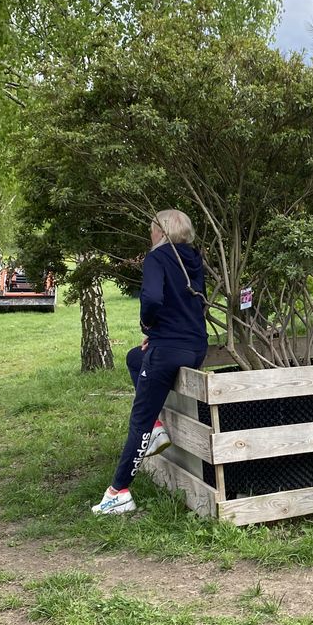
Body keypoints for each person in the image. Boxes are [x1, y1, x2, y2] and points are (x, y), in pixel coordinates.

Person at [92, 209, 208, 515]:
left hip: (168, 350)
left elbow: (153, 300)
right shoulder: (193, 260)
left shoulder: (157, 258)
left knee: (139, 419)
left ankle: (119, 492)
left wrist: (150, 328)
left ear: (162, 232)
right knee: (134, 357)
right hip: (195, 347)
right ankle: (157, 429)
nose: (150, 235)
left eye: (152, 229)